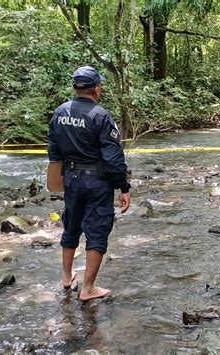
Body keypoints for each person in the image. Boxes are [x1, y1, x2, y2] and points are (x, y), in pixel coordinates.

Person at [47, 66, 131, 301]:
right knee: (97, 230)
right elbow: (113, 157)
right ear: (96, 88)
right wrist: (123, 187)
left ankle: (66, 277)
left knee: (71, 225)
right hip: (97, 181)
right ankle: (88, 288)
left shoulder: (60, 112)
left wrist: (58, 177)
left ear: (75, 87)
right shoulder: (100, 115)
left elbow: (53, 149)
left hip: (71, 178)